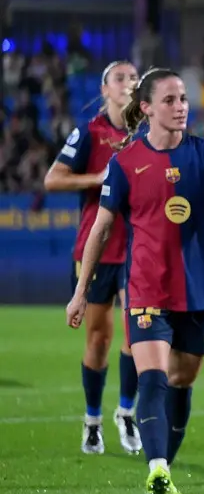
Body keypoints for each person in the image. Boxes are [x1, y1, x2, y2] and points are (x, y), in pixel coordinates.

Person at [65, 68, 204, 494]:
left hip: (197, 288)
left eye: (184, 98)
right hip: (146, 288)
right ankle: (157, 467)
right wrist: (80, 291)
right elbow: (100, 229)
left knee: (182, 380)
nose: (181, 106)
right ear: (146, 107)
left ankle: (166, 463)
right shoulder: (125, 162)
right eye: (169, 100)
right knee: (152, 378)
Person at [45, 60, 142, 456]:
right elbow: (53, 179)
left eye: (134, 78)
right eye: (120, 78)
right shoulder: (89, 132)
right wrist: (97, 179)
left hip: (140, 248)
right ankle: (92, 420)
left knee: (139, 335)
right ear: (104, 90)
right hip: (98, 248)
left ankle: (126, 412)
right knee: (99, 339)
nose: (129, 83)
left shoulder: (149, 135)